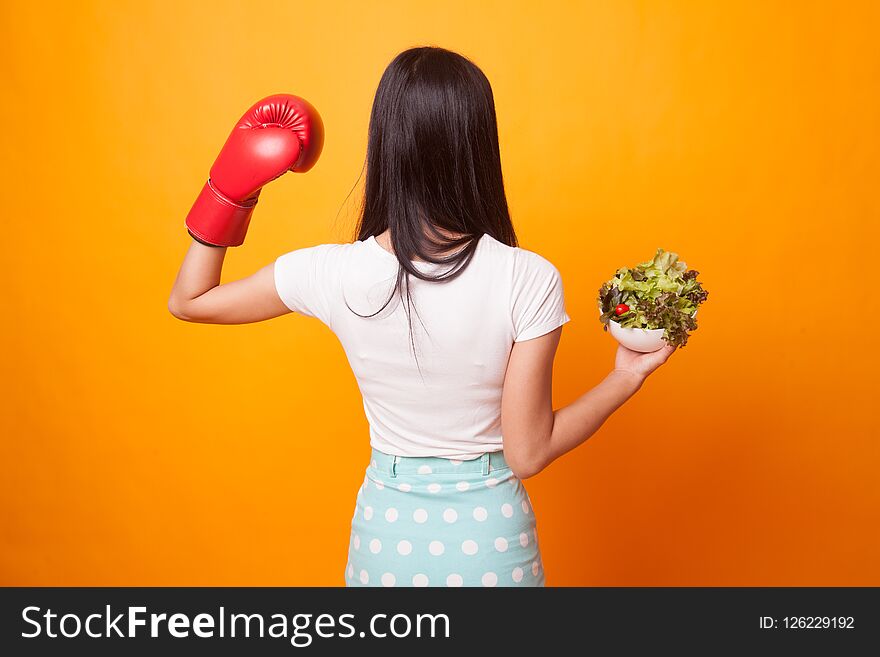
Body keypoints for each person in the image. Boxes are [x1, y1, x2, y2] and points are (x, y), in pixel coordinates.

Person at [168, 46, 676, 587]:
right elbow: (527, 454)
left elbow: (190, 301)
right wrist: (626, 376)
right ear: (478, 146)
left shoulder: (331, 272)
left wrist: (229, 190)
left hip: (385, 537)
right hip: (491, 543)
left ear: (386, 143)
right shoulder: (527, 277)